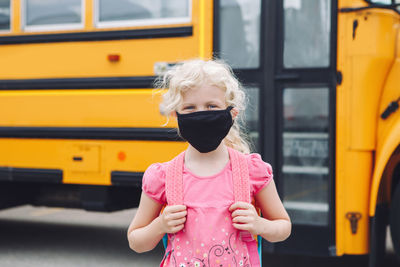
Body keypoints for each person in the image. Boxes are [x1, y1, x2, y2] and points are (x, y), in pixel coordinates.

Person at [127, 59, 291, 267]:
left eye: (211, 106)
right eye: (190, 108)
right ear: (175, 115)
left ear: (232, 113)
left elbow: (283, 227)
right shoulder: (162, 176)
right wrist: (160, 225)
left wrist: (259, 225)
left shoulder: (252, 171)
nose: (201, 114)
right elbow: (136, 241)